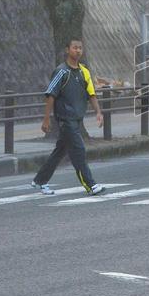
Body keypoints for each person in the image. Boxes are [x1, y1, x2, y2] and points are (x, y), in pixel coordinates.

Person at [31, 38, 106, 196]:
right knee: (79, 151)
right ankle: (90, 185)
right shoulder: (61, 72)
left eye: (80, 48)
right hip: (65, 119)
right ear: (67, 50)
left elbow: (91, 94)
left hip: (77, 119)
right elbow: (50, 95)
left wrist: (98, 112)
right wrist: (46, 119)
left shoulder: (84, 71)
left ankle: (40, 180)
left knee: (60, 151)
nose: (78, 50)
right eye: (74, 48)